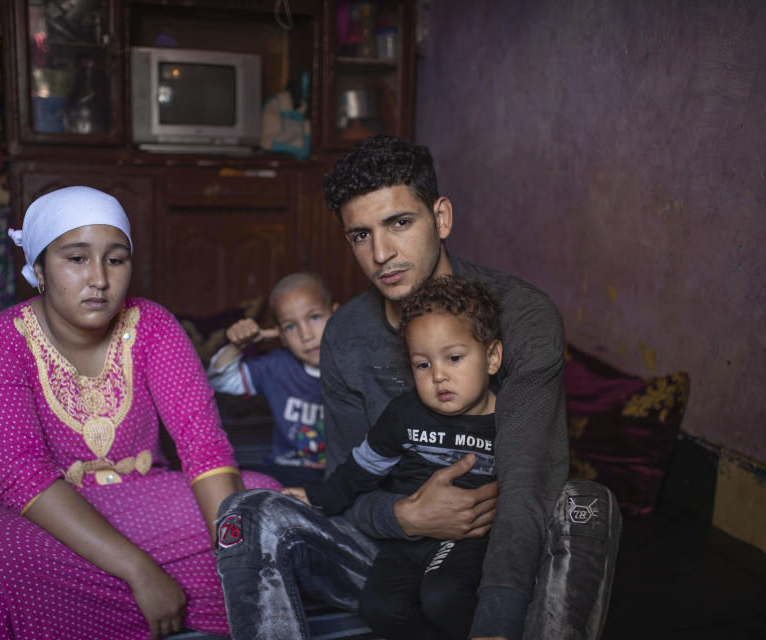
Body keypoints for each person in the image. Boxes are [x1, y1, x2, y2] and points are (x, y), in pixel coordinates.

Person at [215, 136, 621, 640]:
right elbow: (350, 481)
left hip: (501, 551)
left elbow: (528, 486)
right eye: (361, 235)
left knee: (585, 506)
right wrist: (405, 517)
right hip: (394, 551)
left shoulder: (521, 316)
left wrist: (494, 623)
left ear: (442, 217)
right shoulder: (345, 336)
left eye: (399, 223)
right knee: (247, 512)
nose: (382, 253)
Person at [0, 186, 281, 640]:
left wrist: (235, 558)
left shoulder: (154, 325)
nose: (99, 279)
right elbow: (20, 477)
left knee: (261, 500)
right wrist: (140, 571)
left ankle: (76, 617)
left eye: (115, 259)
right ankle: (176, 599)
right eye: (76, 259)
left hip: (148, 503)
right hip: (49, 519)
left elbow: (203, 445)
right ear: (39, 268)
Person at [284, 275, 503, 639]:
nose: (438, 376)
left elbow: (530, 486)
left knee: (442, 596)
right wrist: (318, 497)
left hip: (468, 537)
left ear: (492, 357)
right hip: (408, 536)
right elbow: (362, 466)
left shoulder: (508, 418)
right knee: (379, 608)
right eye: (422, 364)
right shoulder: (404, 414)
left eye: (454, 358)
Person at [207, 271, 337, 486]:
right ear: (281, 337)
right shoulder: (276, 366)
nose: (306, 336)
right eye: (291, 327)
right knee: (234, 481)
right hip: (286, 470)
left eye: (314, 317)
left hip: (342, 475)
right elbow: (217, 381)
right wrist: (236, 347)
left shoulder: (358, 364)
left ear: (336, 314)